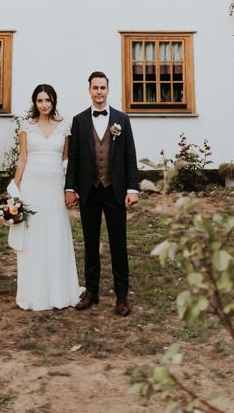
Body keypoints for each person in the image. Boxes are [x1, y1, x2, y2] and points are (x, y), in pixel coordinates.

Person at [65, 71, 139, 316]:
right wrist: (70, 188)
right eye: (95, 87)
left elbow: (130, 156)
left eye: (103, 88)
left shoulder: (122, 119)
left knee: (119, 244)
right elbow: (74, 158)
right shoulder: (79, 121)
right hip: (89, 191)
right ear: (89, 90)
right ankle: (91, 292)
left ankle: (121, 296)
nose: (99, 91)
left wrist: (132, 188)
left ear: (108, 90)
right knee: (90, 243)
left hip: (115, 191)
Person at [12, 84, 82, 310]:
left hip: (54, 187)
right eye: (40, 100)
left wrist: (69, 188)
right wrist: (16, 189)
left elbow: (66, 160)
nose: (44, 105)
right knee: (34, 236)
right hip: (31, 187)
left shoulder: (64, 127)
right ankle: (34, 292)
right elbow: (22, 158)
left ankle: (59, 290)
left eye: (48, 101)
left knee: (55, 234)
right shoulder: (27, 126)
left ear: (54, 102)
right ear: (35, 102)